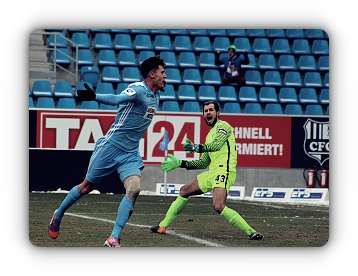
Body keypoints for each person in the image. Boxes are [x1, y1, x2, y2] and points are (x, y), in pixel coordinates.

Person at [48, 56, 167, 247]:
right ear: (151, 74)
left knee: (134, 188)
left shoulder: (156, 96)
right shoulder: (137, 89)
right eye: (162, 72)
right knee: (86, 187)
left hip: (130, 153)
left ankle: (113, 237)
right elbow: (117, 99)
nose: (165, 76)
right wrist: (95, 96)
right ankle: (58, 214)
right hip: (110, 147)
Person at [149, 101, 263, 241]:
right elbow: (203, 163)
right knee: (184, 191)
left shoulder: (224, 126)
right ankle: (162, 226)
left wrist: (196, 148)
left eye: (211, 110)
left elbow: (216, 145)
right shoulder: (209, 135)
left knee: (218, 206)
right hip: (212, 172)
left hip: (224, 170)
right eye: (205, 111)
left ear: (218, 113)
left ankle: (251, 231)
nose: (208, 113)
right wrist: (180, 162)